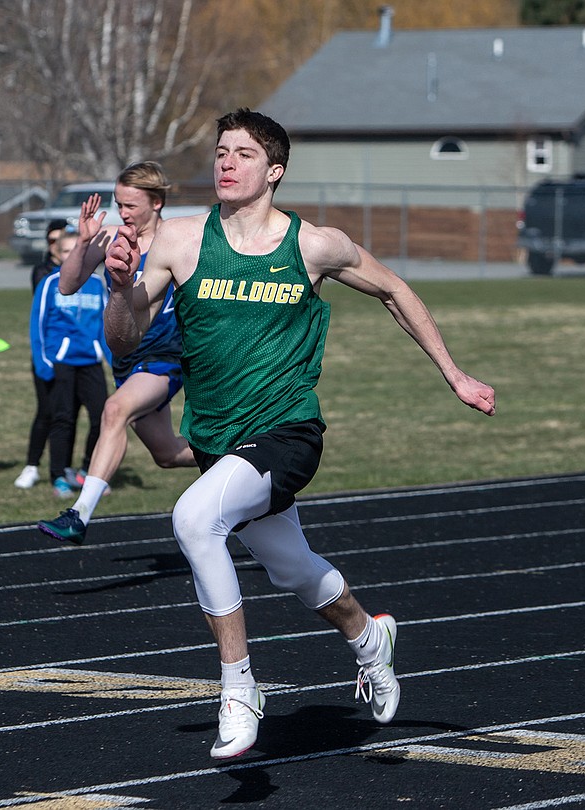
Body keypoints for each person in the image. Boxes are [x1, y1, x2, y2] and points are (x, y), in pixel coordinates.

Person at [102, 109, 496, 758]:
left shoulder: (313, 244)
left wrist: (453, 374)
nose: (226, 163)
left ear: (274, 170)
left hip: (287, 432)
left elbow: (394, 291)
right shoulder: (178, 240)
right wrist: (118, 289)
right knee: (293, 569)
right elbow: (125, 338)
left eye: (243, 155)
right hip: (217, 439)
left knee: (196, 520)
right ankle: (370, 638)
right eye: (221, 152)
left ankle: (239, 687)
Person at [37, 162, 195, 542]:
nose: (123, 213)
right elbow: (67, 285)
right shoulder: (110, 238)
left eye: (131, 206)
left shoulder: (179, 239)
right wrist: (83, 241)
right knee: (168, 454)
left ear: (156, 203)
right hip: (125, 358)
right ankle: (236, 454)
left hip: (164, 357)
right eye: (118, 204)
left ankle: (79, 514)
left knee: (114, 410)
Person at [29, 232, 110, 496]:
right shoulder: (50, 283)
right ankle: (59, 474)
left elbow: (107, 326)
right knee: (63, 418)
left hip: (90, 361)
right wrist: (43, 363)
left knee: (102, 418)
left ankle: (88, 470)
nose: (71, 256)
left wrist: (112, 360)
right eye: (66, 251)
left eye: (77, 250)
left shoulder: (97, 284)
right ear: (57, 254)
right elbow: (37, 325)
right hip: (60, 362)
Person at [15, 218, 71, 489]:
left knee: (68, 414)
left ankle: (66, 467)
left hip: (73, 357)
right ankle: (32, 465)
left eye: (62, 240)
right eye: (52, 241)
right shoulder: (44, 273)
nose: (57, 246)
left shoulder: (81, 272)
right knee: (46, 411)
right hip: (48, 353)